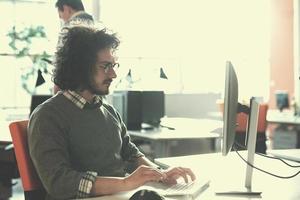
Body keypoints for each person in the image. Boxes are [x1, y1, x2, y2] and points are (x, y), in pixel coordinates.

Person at [28, 26, 196, 200]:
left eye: (113, 65)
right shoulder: (47, 115)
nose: (114, 74)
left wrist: (161, 174)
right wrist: (125, 183)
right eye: (105, 66)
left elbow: (130, 154)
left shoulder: (108, 111)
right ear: (80, 68)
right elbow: (59, 182)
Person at [54, 0, 94, 94]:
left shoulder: (70, 28)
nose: (60, 17)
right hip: (90, 82)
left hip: (72, 83)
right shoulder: (95, 26)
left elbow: (63, 58)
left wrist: (57, 83)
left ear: (66, 8)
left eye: (60, 14)